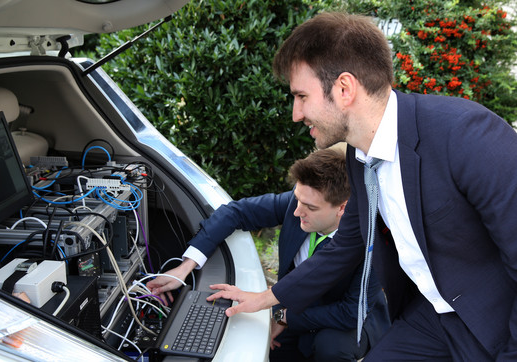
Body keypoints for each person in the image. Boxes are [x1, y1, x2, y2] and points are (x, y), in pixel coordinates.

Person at [206, 11, 517, 361]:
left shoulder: (466, 134)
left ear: (344, 88)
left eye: (301, 96)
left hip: (496, 323)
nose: (295, 113)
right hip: (430, 318)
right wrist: (265, 299)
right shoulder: (358, 156)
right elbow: (346, 246)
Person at [148, 148, 390, 361]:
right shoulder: (300, 201)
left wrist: (281, 316)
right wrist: (186, 266)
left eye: (310, 208)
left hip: (343, 322)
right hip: (291, 308)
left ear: (342, 207)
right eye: (297, 200)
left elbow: (349, 313)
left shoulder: (371, 240)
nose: (296, 212)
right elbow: (236, 212)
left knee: (331, 348)